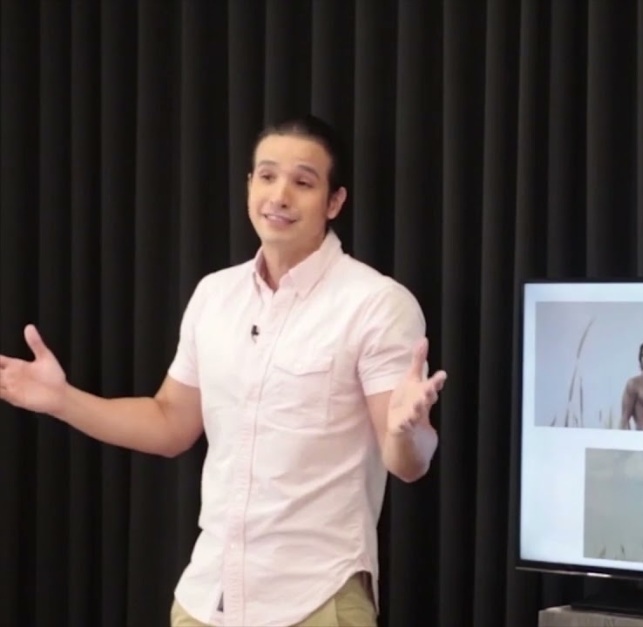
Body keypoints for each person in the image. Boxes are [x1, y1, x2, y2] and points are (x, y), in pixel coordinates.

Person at [0, 115, 446, 627]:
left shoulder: (376, 303)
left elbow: (407, 463)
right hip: (206, 599)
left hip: (317, 599)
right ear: (249, 185)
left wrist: (409, 429)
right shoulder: (215, 295)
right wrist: (62, 401)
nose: (279, 196)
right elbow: (170, 423)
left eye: (303, 182)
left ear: (334, 201)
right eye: (267, 176)